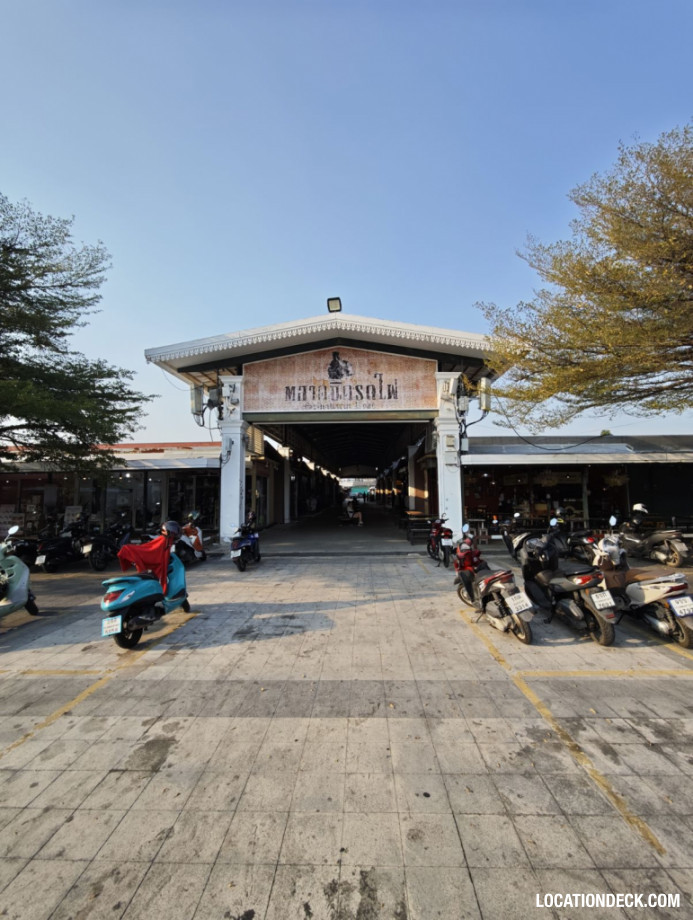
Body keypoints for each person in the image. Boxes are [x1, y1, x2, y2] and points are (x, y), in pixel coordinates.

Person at [117, 520, 181, 592]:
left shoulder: (166, 540)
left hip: (153, 557)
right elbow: (152, 549)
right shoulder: (165, 540)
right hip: (150, 557)